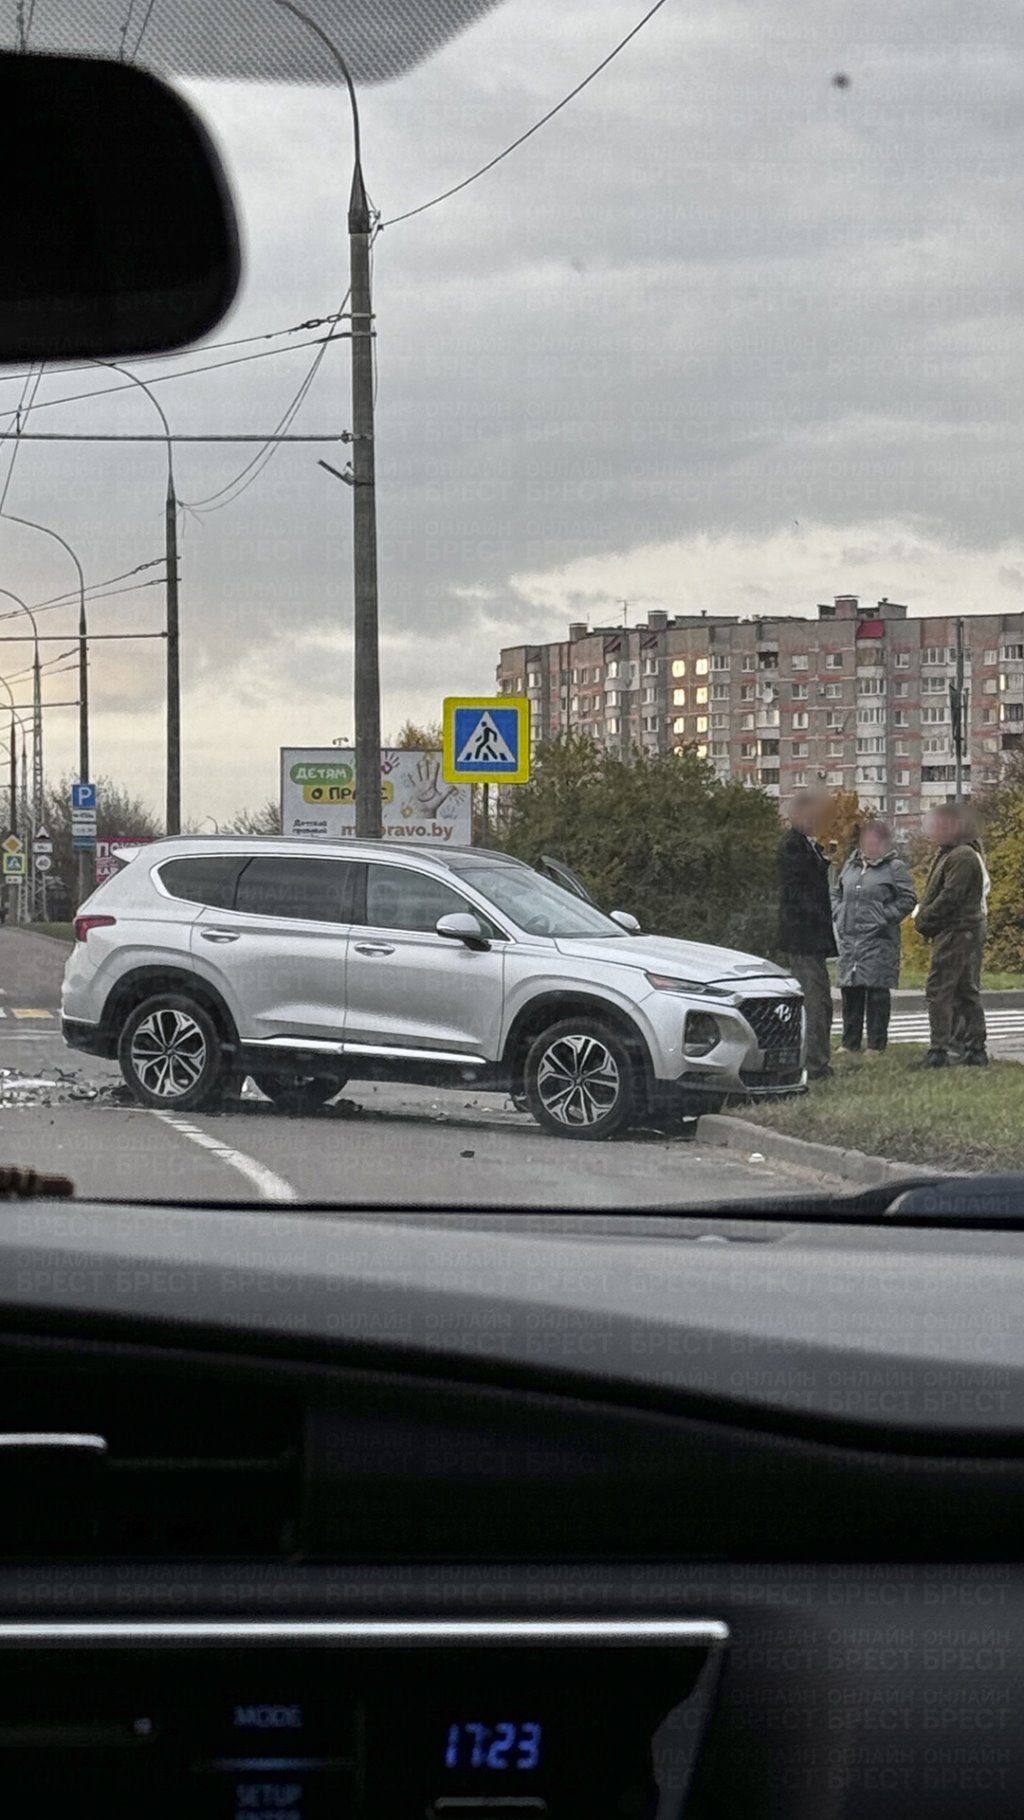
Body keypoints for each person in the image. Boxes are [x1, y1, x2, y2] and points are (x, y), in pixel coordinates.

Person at [831, 820, 917, 1055]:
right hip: (851, 938)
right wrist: (839, 912)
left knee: (876, 991)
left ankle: (876, 1044)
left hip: (879, 939)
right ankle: (849, 1042)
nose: (869, 845)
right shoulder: (851, 864)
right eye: (865, 840)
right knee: (851, 990)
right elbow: (836, 892)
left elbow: (908, 899)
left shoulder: (894, 868)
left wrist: (884, 916)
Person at [915, 803, 989, 1067]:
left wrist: (925, 919)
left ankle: (940, 1050)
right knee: (963, 990)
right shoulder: (953, 854)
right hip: (958, 929)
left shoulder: (962, 856)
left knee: (941, 989)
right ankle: (974, 1048)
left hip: (958, 930)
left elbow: (950, 897)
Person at [777, 788, 836, 1079]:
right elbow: (800, 894)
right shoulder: (793, 846)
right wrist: (823, 918)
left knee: (821, 1000)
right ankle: (814, 1062)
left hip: (811, 937)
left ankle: (818, 1058)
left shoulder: (807, 845)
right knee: (813, 1001)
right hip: (804, 936)